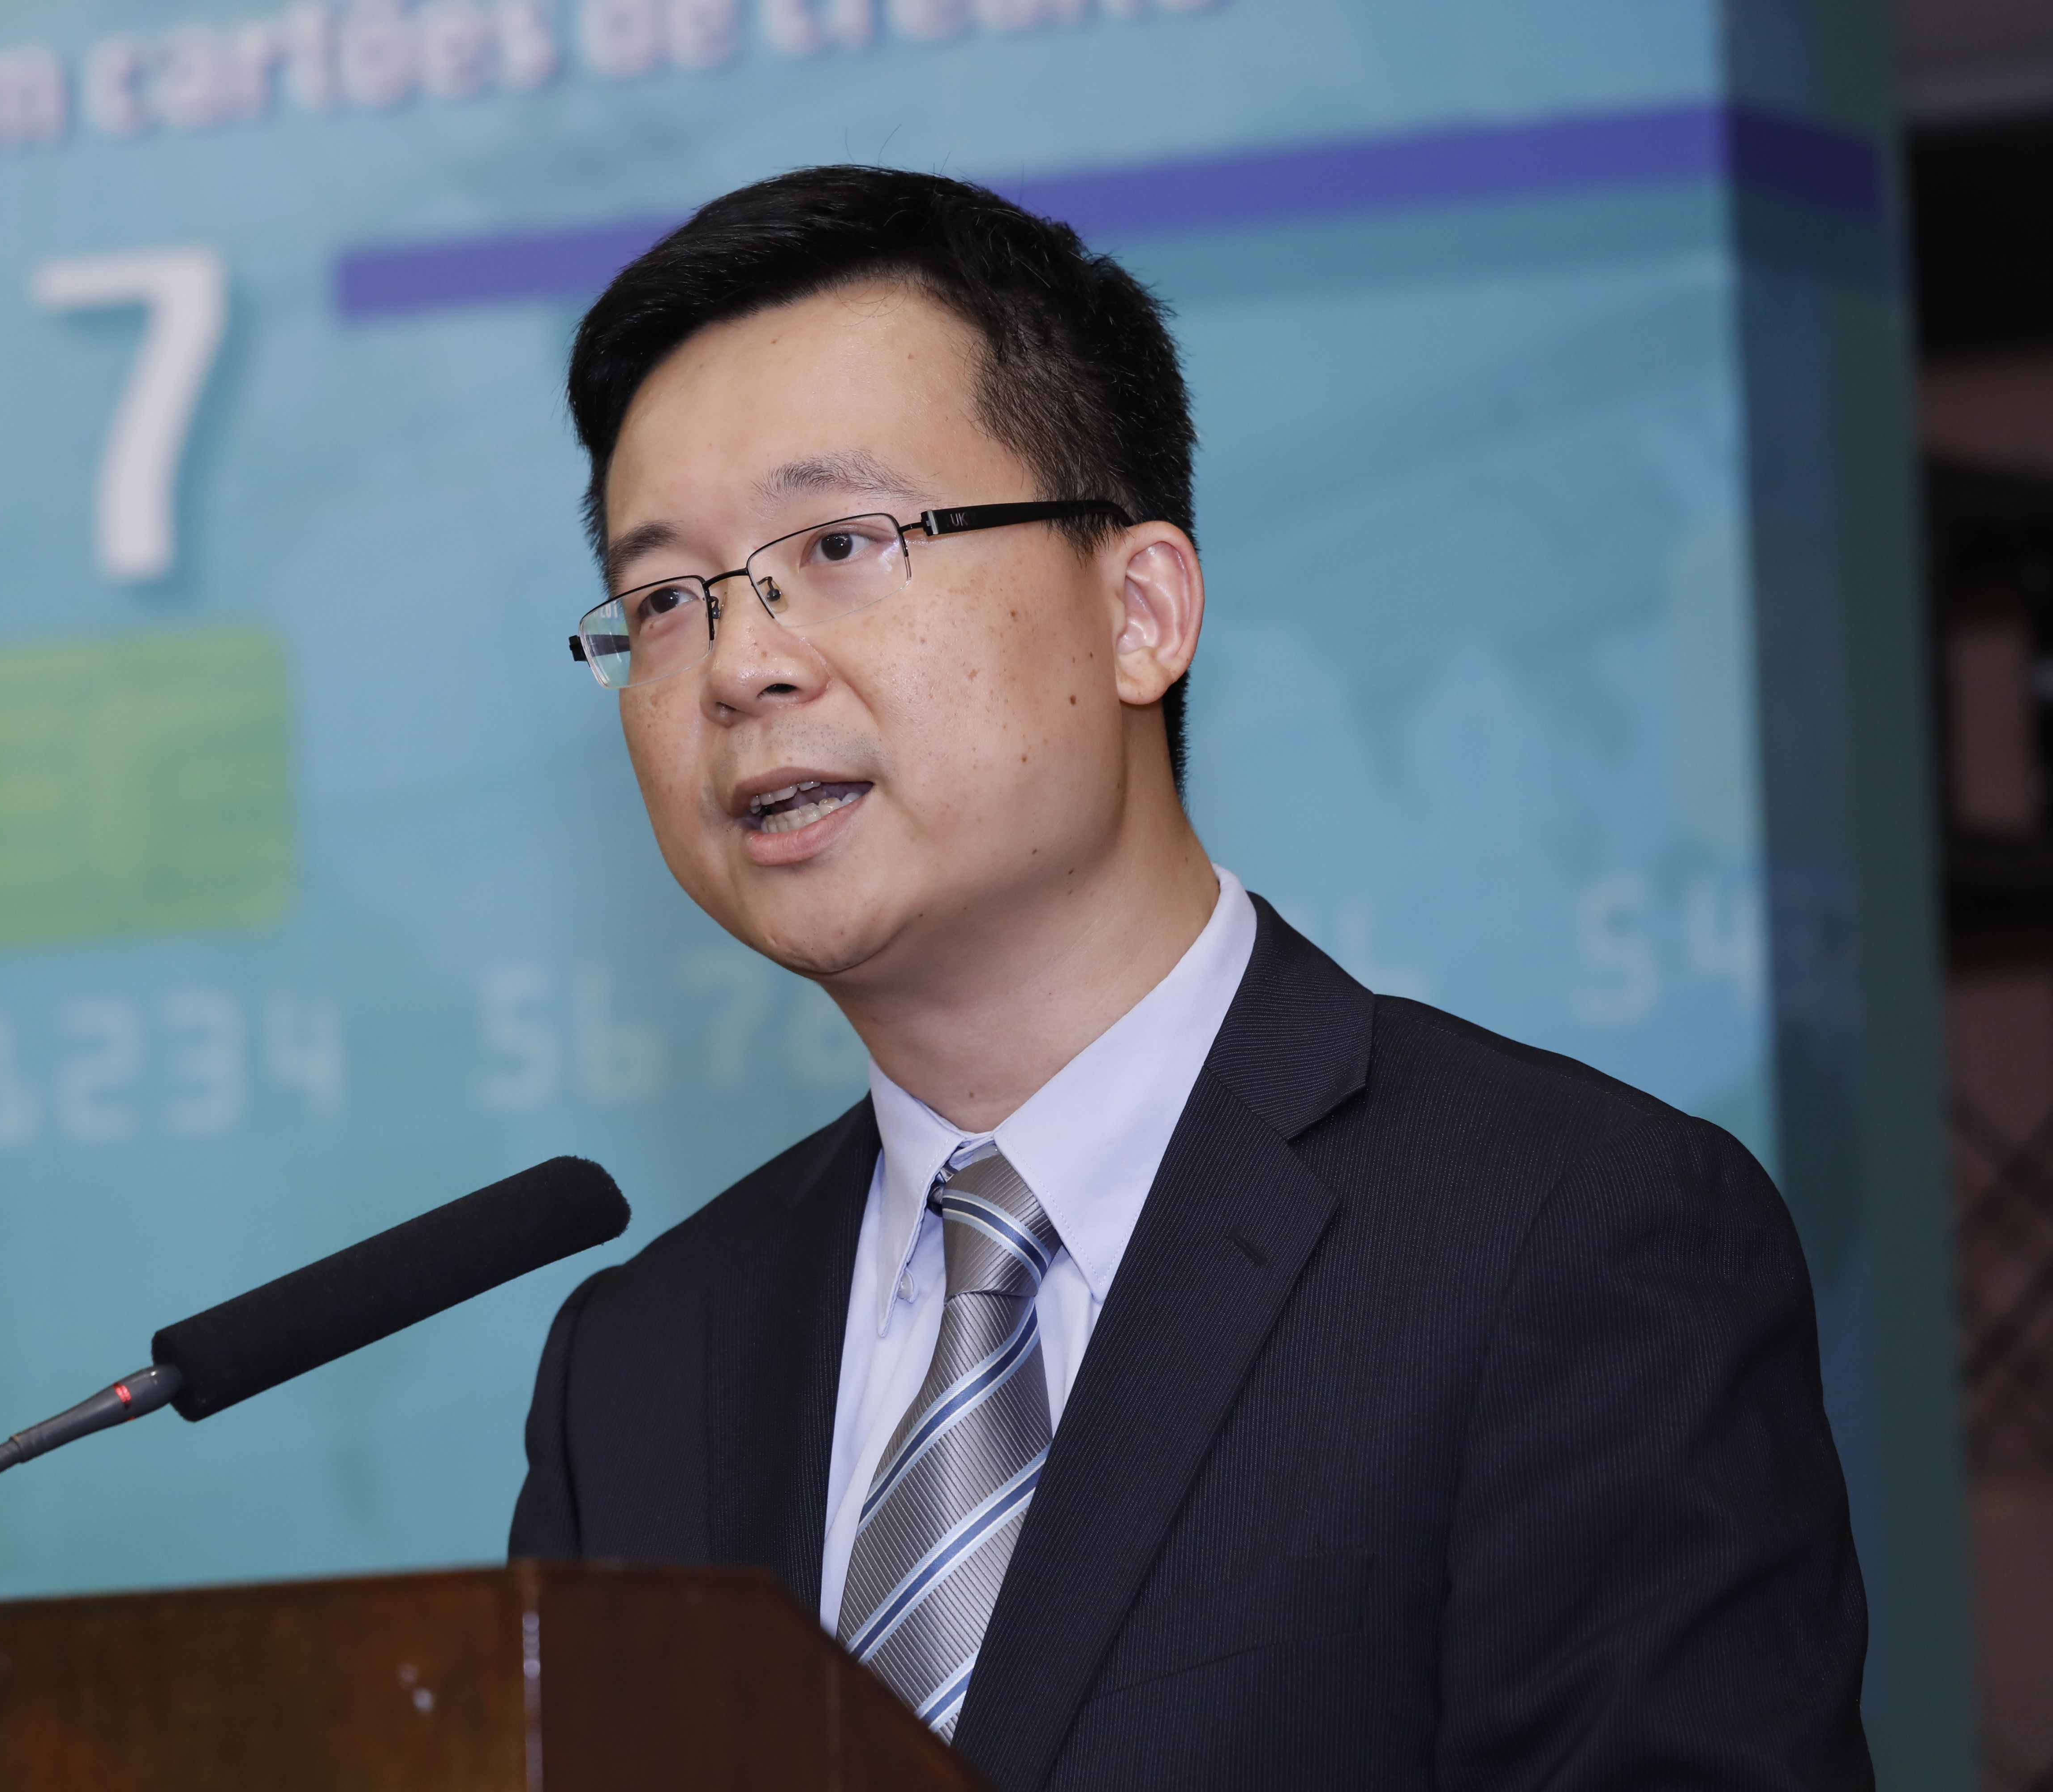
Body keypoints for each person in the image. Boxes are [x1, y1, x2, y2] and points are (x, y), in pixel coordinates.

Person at [508, 165, 1872, 1791]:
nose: (742, 664)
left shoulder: (1572, 1238)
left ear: (1141, 612)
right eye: (666, 600)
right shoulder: (639, 1367)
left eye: (845, 543)